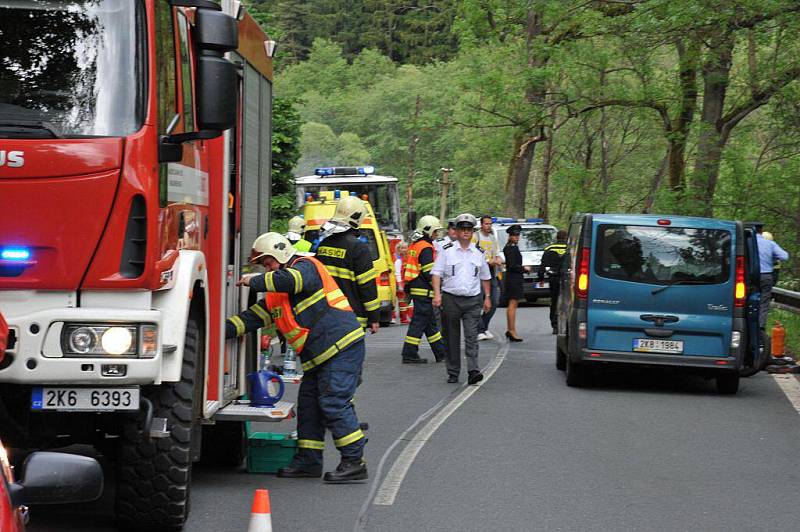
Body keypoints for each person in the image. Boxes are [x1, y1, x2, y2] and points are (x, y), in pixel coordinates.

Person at [225, 233, 367, 482]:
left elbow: (290, 281)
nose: (267, 269)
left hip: (341, 348)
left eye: (268, 263)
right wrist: (215, 331)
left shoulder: (305, 266)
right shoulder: (275, 295)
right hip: (319, 357)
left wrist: (254, 280)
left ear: (280, 254)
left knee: (334, 403)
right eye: (264, 266)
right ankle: (309, 462)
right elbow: (250, 320)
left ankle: (354, 461)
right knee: (310, 408)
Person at [432, 213, 491, 384]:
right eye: (462, 229)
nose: (466, 232)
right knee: (451, 337)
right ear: (456, 231)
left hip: (472, 300)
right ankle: (453, 372)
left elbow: (485, 277)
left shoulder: (478, 253)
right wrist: (437, 295)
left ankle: (473, 370)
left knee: (472, 336)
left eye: (469, 229)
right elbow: (436, 273)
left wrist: (487, 297)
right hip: (451, 299)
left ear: (473, 232)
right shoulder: (447, 251)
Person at [314, 196, 380, 333]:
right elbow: (367, 286)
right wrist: (373, 317)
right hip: (351, 317)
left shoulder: (323, 245)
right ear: (358, 218)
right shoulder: (358, 248)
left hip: (325, 314)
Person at [401, 215, 448, 364]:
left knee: (430, 324)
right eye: (435, 232)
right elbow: (429, 272)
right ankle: (409, 353)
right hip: (423, 290)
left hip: (416, 289)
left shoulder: (415, 245)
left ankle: (441, 353)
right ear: (427, 230)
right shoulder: (426, 247)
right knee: (419, 323)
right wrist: (439, 287)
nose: (436, 235)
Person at [473, 216, 502, 341]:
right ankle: (479, 329)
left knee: (494, 302)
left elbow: (497, 253)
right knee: (478, 302)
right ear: (481, 224)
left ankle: (483, 327)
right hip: (479, 274)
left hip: (492, 273)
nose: (488, 226)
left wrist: (498, 259)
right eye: (486, 224)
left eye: (490, 224)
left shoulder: (492, 238)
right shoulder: (476, 236)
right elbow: (473, 253)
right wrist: (486, 261)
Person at [756, 226, 789, 328]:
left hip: (750, 277)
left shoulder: (748, 242)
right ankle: (760, 328)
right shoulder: (770, 244)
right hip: (766, 276)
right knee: (764, 303)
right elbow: (785, 256)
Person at [538, 230, 568, 334]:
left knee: (554, 301)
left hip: (553, 278)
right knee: (567, 302)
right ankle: (565, 324)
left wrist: (541, 278)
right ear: (566, 237)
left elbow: (542, 265)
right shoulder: (569, 249)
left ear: (557, 238)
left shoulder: (549, 249)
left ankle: (555, 324)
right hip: (567, 279)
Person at [502, 225, 525, 342]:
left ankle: (510, 329)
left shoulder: (512, 247)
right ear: (510, 236)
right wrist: (524, 268)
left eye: (517, 235)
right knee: (512, 304)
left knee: (513, 304)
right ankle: (512, 330)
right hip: (513, 279)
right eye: (514, 235)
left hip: (514, 279)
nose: (516, 237)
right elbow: (512, 266)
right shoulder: (511, 248)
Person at [394, 242, 410, 324]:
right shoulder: (398, 261)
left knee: (407, 302)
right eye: (402, 248)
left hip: (407, 283)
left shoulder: (409, 259)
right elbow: (397, 273)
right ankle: (403, 318)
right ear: (398, 250)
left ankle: (408, 317)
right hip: (400, 283)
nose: (404, 250)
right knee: (402, 302)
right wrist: (400, 284)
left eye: (405, 248)